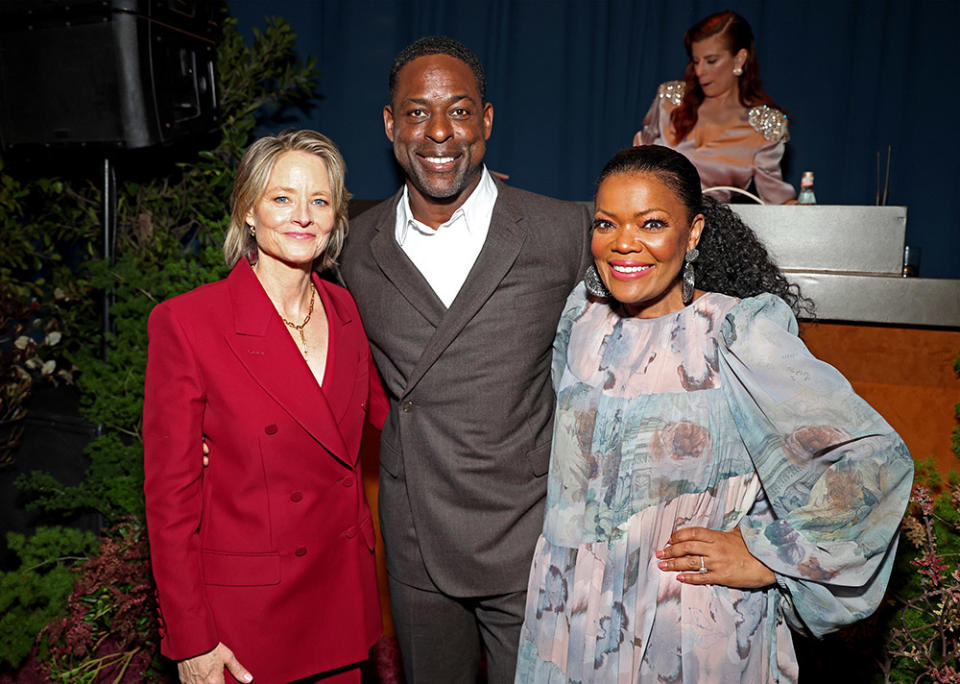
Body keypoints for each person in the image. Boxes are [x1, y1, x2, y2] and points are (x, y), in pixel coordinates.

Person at [514, 145, 913, 682]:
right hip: (568, 616)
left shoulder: (736, 332)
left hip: (683, 631)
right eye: (607, 223)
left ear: (694, 231)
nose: (623, 243)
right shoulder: (581, 318)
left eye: (651, 223)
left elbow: (870, 461)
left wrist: (766, 555)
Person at [339, 36, 591, 684]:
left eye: (458, 110)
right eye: (418, 113)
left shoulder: (561, 229)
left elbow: (663, 314)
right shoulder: (352, 245)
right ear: (391, 125)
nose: (440, 132)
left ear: (486, 120)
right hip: (417, 532)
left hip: (531, 533)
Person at [143, 129, 388, 684]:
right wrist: (191, 640)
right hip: (245, 625)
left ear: (336, 217)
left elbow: (394, 420)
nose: (302, 216)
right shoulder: (188, 324)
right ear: (248, 211)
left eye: (319, 201)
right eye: (282, 198)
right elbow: (169, 502)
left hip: (340, 604)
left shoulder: (347, 311)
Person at [634, 10, 796, 204]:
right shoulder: (671, 100)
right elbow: (635, 163)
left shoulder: (763, 126)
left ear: (739, 59)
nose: (700, 71)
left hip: (712, 229)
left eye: (711, 61)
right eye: (696, 61)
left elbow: (778, 200)